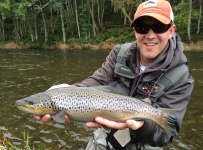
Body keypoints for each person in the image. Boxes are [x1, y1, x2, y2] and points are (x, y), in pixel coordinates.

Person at [34, 0, 194, 149]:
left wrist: (140, 124)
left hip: (145, 143)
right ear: (135, 31)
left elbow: (165, 137)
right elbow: (97, 81)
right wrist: (69, 90)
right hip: (106, 136)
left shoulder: (181, 78)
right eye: (142, 27)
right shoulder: (120, 53)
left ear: (171, 31)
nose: (150, 35)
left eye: (159, 27)